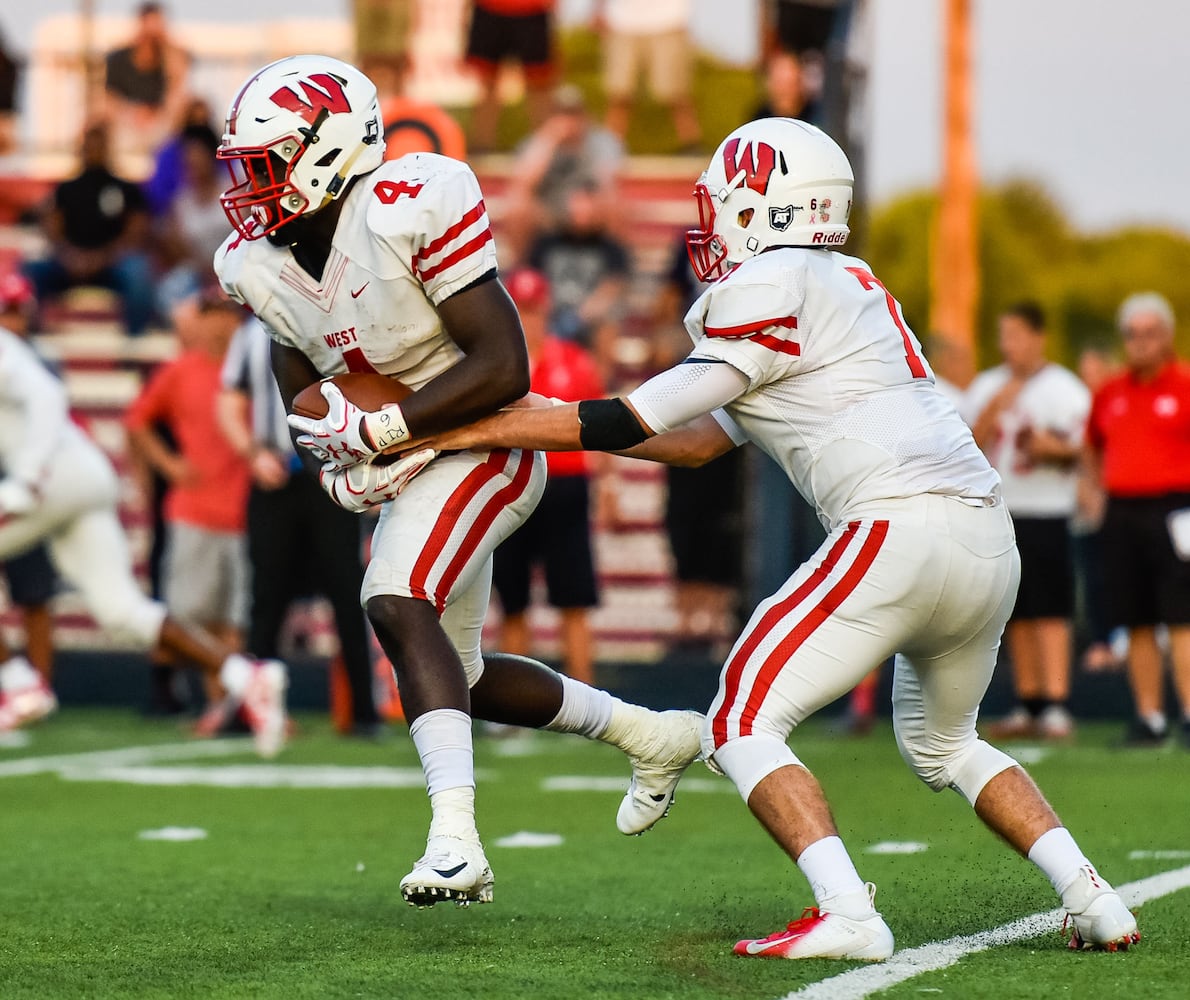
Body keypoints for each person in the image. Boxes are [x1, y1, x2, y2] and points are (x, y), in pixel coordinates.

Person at [409, 118, 1140, 957]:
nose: (711, 226)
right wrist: (519, 424)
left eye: (723, 207)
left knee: (737, 723)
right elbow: (696, 438)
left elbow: (633, 416)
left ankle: (849, 912)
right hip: (985, 535)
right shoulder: (854, 281)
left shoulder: (762, 287)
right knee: (948, 744)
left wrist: (467, 427)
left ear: (764, 209)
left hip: (893, 526)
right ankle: (1092, 897)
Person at [214, 54, 704, 908]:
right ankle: (651, 734)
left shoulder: (408, 203)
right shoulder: (252, 265)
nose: (249, 188)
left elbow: (504, 366)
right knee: (459, 675)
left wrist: (388, 429)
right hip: (410, 460)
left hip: (488, 445)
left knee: (394, 601)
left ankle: (456, 842)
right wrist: (333, 467)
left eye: (265, 163)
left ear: (328, 151)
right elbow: (304, 398)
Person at [0, 288, 286, 752]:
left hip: (56, 476)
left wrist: (29, 476)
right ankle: (245, 675)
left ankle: (16, 679)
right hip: (80, 475)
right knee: (122, 612)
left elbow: (48, 395)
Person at [215, 313, 382, 736]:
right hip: (276, 476)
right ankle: (252, 708)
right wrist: (252, 454)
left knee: (347, 592)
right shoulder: (252, 334)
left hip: (329, 474)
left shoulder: (334, 325)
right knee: (266, 597)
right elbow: (229, 401)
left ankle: (363, 711)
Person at [963, 302, 1089, 741]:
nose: (1008, 344)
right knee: (1013, 610)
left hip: (1048, 510)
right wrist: (996, 407)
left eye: (1016, 334)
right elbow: (965, 442)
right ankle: (1028, 699)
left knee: (1051, 608)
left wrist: (1047, 449)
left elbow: (1083, 448)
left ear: (1038, 337)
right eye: (1004, 335)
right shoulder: (988, 386)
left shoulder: (1065, 389)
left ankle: (1056, 703)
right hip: (1002, 511)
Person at [124, 291, 251, 721]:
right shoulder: (180, 370)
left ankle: (224, 705)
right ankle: (219, 701)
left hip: (244, 511)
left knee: (234, 621)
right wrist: (170, 465)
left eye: (226, 315)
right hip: (194, 511)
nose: (219, 324)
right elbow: (137, 421)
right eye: (210, 314)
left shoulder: (252, 370)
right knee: (188, 619)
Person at [1082, 292, 1190, 748]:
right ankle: (1150, 718)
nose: (1140, 343)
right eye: (1132, 334)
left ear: (1166, 337)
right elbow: (1091, 444)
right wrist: (1093, 494)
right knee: (1137, 617)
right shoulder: (1111, 391)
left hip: (1176, 509)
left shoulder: (1183, 385)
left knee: (1182, 617)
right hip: (1123, 510)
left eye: (1150, 334)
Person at [492, 268, 605, 685]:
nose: (528, 321)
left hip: (564, 485)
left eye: (533, 311)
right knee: (514, 602)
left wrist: (607, 484)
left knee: (573, 600)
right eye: (520, 312)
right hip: (513, 483)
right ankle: (514, 707)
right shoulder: (498, 365)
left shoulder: (574, 361)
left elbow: (604, 424)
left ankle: (589, 704)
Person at [22, 121, 156, 336]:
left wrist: (101, 258)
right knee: (33, 271)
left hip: (112, 263)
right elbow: (53, 230)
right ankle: (31, 337)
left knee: (138, 272)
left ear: (107, 149)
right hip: (70, 263)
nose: (93, 151)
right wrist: (71, 256)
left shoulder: (126, 189)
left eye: (98, 146)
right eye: (89, 146)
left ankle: (135, 344)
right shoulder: (66, 189)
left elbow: (136, 232)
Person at [0, 273, 59, 680]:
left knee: (34, 592)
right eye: (8, 312)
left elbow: (52, 417)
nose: (15, 322)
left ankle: (39, 685)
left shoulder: (39, 360)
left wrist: (31, 474)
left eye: (20, 312)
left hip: (25, 481)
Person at [501, 84, 623, 263]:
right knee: (518, 206)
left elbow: (606, 182)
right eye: (562, 114)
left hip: (589, 207)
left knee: (615, 203)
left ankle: (616, 269)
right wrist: (550, 140)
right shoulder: (537, 142)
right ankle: (522, 271)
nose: (568, 120)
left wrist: (585, 206)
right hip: (549, 211)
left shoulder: (601, 141)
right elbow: (524, 183)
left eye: (573, 114)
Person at [526, 180, 631, 384]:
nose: (582, 210)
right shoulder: (546, 243)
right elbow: (532, 281)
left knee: (608, 326)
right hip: (548, 316)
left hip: (588, 320)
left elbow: (613, 288)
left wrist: (580, 316)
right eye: (577, 202)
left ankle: (598, 393)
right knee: (528, 318)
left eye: (587, 203)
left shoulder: (611, 249)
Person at [595, 0, 701, 152]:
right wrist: (599, 8)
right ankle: (609, 148)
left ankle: (691, 145)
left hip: (669, 21)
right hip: (622, 22)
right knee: (619, 93)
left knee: (677, 93)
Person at [464, 0, 557, 153]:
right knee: (487, 82)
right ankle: (482, 146)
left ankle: (546, 147)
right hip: (490, 8)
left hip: (532, 10)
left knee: (539, 84)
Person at [102, 1, 190, 156]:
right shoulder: (118, 59)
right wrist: (133, 112)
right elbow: (109, 97)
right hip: (126, 122)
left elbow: (177, 89)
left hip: (161, 124)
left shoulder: (170, 59)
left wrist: (166, 48)